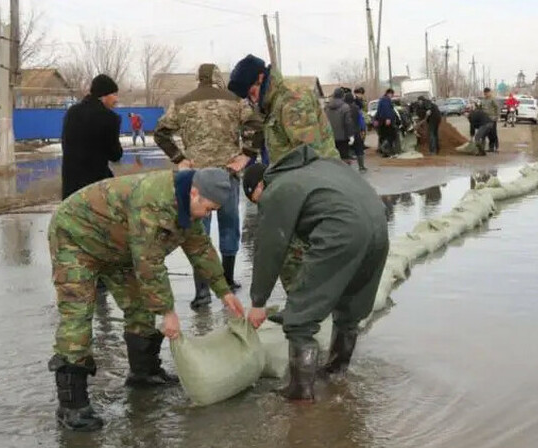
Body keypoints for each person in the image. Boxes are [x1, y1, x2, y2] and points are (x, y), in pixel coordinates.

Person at [47, 167, 246, 432]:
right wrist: (168, 312)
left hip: (119, 246)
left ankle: (144, 372)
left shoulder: (186, 204)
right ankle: (72, 406)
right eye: (208, 208)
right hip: (76, 238)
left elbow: (200, 249)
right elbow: (149, 263)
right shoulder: (154, 201)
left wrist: (224, 291)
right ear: (195, 193)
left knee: (140, 305)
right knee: (78, 316)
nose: (207, 215)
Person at [241, 144, 389, 401]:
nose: (260, 205)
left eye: (256, 201)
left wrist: (258, 301)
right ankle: (336, 370)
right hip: (379, 227)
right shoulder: (321, 167)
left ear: (258, 188)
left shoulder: (277, 190)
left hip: (342, 232)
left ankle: (300, 391)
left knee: (299, 320)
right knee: (350, 304)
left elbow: (269, 248)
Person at [227, 53, 339, 297]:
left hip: (317, 188)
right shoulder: (273, 102)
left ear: (260, 78)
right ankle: (303, 304)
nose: (251, 99)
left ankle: (305, 309)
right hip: (300, 186)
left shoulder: (291, 100)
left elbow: (308, 155)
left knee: (294, 250)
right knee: (289, 249)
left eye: (251, 93)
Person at [154, 63, 260, 310]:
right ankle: (229, 280)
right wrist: (246, 154)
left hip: (196, 178)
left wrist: (180, 159)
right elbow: (256, 124)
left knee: (197, 233)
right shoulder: (235, 101)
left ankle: (201, 291)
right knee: (229, 226)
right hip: (228, 173)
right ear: (218, 77)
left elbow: (160, 133)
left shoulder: (181, 103)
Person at [61, 74, 122, 200]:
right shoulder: (110, 118)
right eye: (114, 94)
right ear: (104, 95)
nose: (116, 99)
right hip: (95, 187)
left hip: (71, 186)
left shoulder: (72, 112)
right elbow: (115, 155)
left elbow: (65, 144)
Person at [324, 87, 355, 163]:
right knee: (344, 158)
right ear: (342, 96)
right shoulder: (345, 107)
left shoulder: (326, 107)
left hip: (330, 137)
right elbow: (348, 122)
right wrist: (351, 135)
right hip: (343, 137)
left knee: (333, 159)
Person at [345, 91, 368, 172]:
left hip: (347, 133)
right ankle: (361, 166)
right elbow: (360, 120)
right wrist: (362, 129)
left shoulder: (344, 108)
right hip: (356, 131)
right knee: (359, 149)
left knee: (347, 151)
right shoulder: (356, 108)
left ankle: (348, 170)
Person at [374, 88, 400, 156]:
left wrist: (376, 119)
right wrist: (388, 118)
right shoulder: (386, 100)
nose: (392, 96)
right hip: (387, 121)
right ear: (389, 93)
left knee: (383, 135)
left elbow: (378, 111)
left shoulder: (381, 100)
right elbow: (387, 110)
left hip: (381, 121)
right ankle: (385, 148)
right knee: (392, 135)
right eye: (392, 94)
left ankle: (384, 152)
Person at [481, 87, 500, 152]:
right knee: (487, 133)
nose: (485, 94)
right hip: (485, 119)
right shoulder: (483, 100)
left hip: (492, 118)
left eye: (487, 93)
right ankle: (490, 148)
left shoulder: (493, 99)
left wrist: (497, 116)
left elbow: (497, 108)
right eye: (485, 93)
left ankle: (496, 146)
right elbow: (481, 108)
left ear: (489, 92)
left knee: (493, 133)